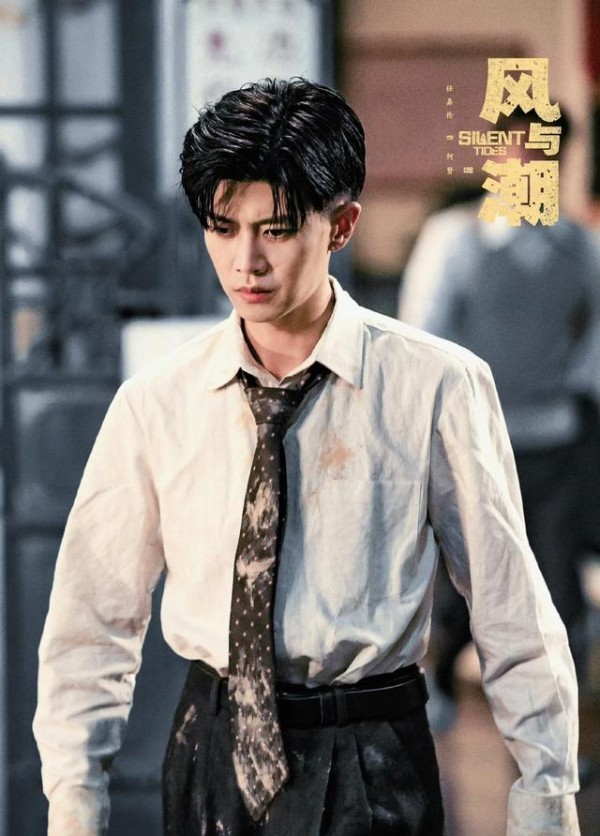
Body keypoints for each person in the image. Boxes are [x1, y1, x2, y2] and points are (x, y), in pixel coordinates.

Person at [34, 77, 581, 835]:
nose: (246, 261)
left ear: (342, 225)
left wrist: (546, 799)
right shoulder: (158, 401)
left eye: (277, 229)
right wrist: (74, 800)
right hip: (210, 745)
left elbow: (509, 608)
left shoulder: (434, 386)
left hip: (370, 751)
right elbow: (93, 616)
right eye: (223, 227)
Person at [398, 110, 600, 742]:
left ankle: (557, 730)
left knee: (557, 589)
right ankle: (430, 696)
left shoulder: (579, 246)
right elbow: (423, 336)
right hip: (475, 445)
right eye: (518, 152)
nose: (530, 165)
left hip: (554, 441)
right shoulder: (457, 239)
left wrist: (576, 385)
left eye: (544, 155)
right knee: (462, 587)